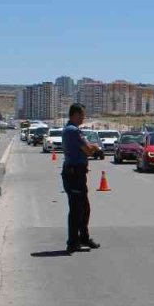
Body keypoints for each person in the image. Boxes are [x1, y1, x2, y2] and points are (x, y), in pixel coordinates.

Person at [62, 103, 101, 253]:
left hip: (77, 173)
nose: (84, 117)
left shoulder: (72, 130)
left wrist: (91, 147)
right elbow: (88, 150)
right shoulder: (72, 131)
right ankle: (72, 242)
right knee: (76, 210)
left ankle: (83, 237)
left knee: (84, 208)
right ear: (75, 115)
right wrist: (96, 148)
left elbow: (86, 146)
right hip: (74, 174)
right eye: (82, 115)